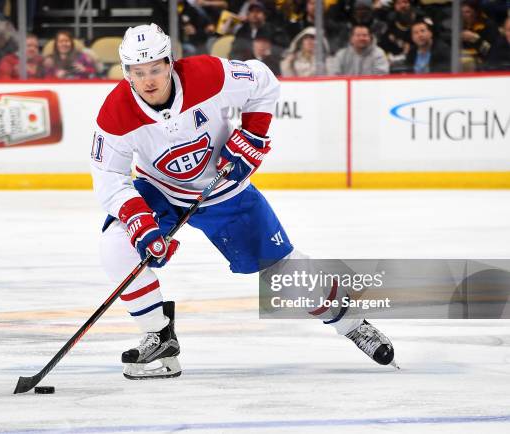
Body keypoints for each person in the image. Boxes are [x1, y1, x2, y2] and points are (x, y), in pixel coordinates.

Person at [90, 23, 396, 380]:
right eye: (138, 73)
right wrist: (141, 224)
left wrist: (252, 133)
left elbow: (264, 81)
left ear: (170, 62)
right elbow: (109, 179)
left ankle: (351, 323)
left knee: (286, 274)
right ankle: (158, 334)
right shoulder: (115, 113)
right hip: (160, 190)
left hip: (225, 189)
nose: (149, 81)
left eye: (156, 69)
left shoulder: (207, 74)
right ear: (127, 73)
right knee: (115, 246)